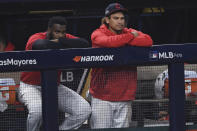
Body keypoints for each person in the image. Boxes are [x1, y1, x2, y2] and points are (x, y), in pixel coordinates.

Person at [18, 16, 91, 131]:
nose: (61, 35)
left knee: (84, 109)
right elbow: (40, 45)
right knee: (37, 111)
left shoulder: (64, 38)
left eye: (63, 32)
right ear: (49, 30)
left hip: (53, 86)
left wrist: (61, 41)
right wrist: (64, 43)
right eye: (57, 32)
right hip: (30, 87)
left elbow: (85, 43)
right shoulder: (37, 37)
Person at [89, 3, 153, 129]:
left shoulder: (126, 31)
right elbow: (107, 42)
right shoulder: (98, 33)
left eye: (122, 18)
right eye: (116, 18)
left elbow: (148, 40)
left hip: (124, 97)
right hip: (102, 98)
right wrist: (130, 38)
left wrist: (123, 39)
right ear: (107, 20)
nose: (120, 21)